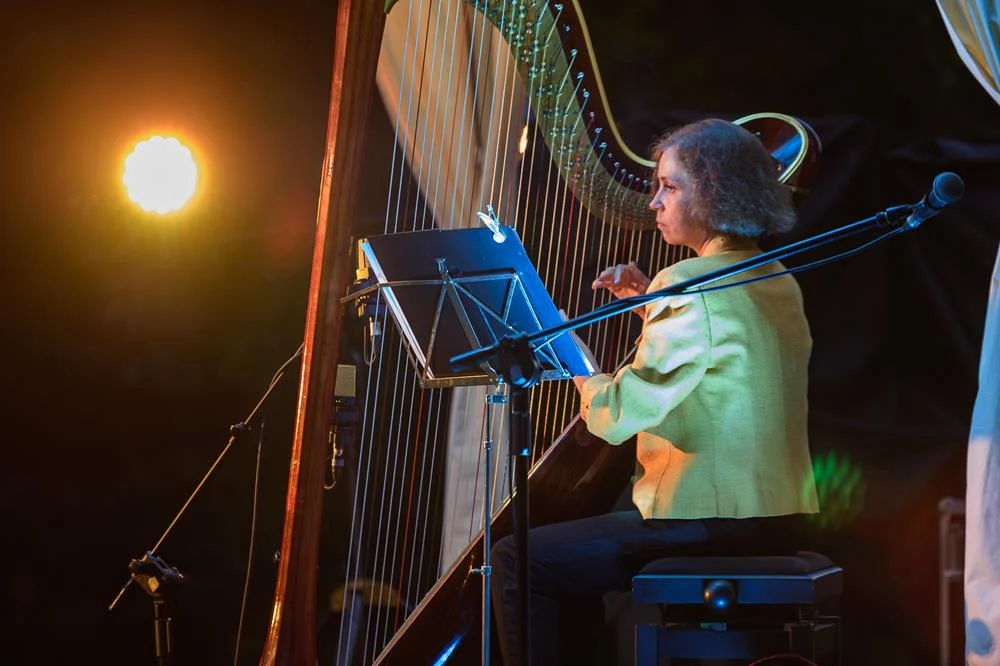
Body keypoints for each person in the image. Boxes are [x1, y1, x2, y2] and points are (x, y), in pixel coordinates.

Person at [489, 117, 821, 666]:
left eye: (669, 187)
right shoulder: (774, 276)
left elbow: (616, 416)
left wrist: (573, 357)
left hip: (707, 521)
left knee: (515, 559)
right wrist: (650, 304)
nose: (654, 203)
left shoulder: (686, 284)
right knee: (559, 562)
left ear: (714, 193)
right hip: (775, 516)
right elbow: (728, 352)